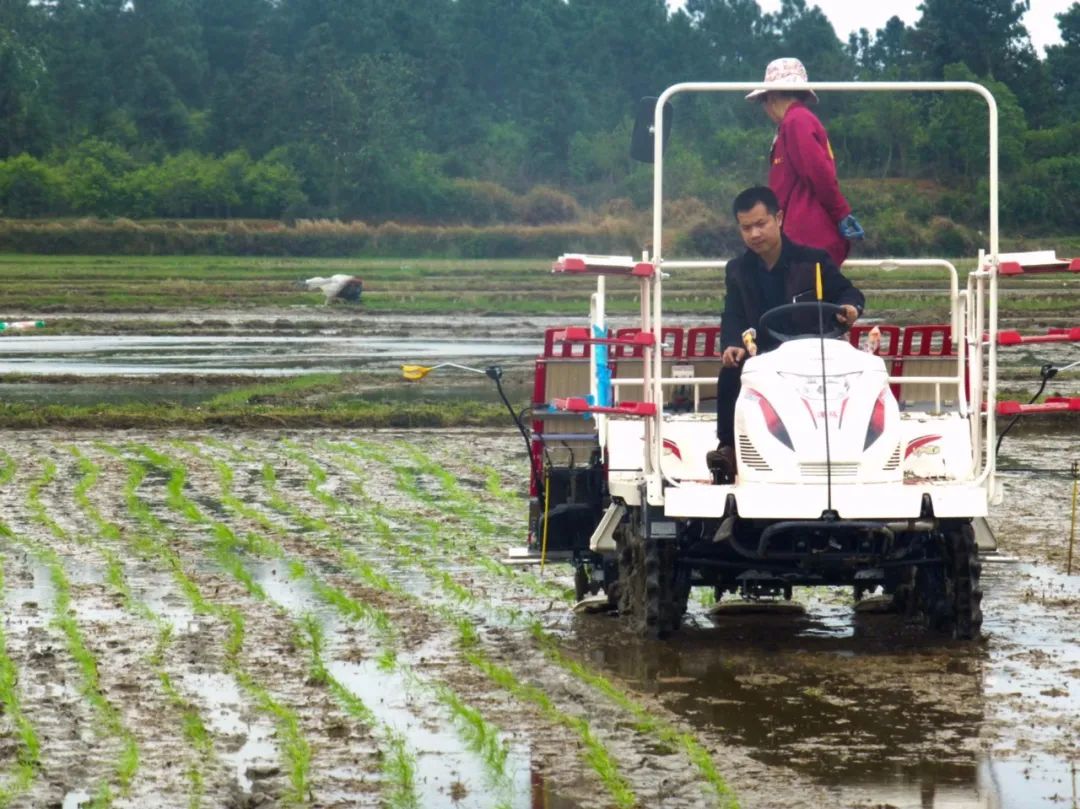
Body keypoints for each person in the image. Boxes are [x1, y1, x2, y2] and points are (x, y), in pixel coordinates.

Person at [708, 186, 865, 483]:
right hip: (763, 357)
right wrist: (731, 343)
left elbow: (848, 291)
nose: (754, 234)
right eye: (746, 228)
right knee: (730, 373)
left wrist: (850, 307)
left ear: (778, 218)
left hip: (813, 353)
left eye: (760, 224)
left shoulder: (814, 261)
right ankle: (728, 448)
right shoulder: (738, 270)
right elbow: (733, 314)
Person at [747, 57, 864, 267]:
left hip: (807, 241)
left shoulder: (797, 121)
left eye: (763, 101)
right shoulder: (793, 123)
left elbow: (818, 174)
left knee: (807, 299)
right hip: (799, 241)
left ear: (771, 96)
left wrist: (841, 213)